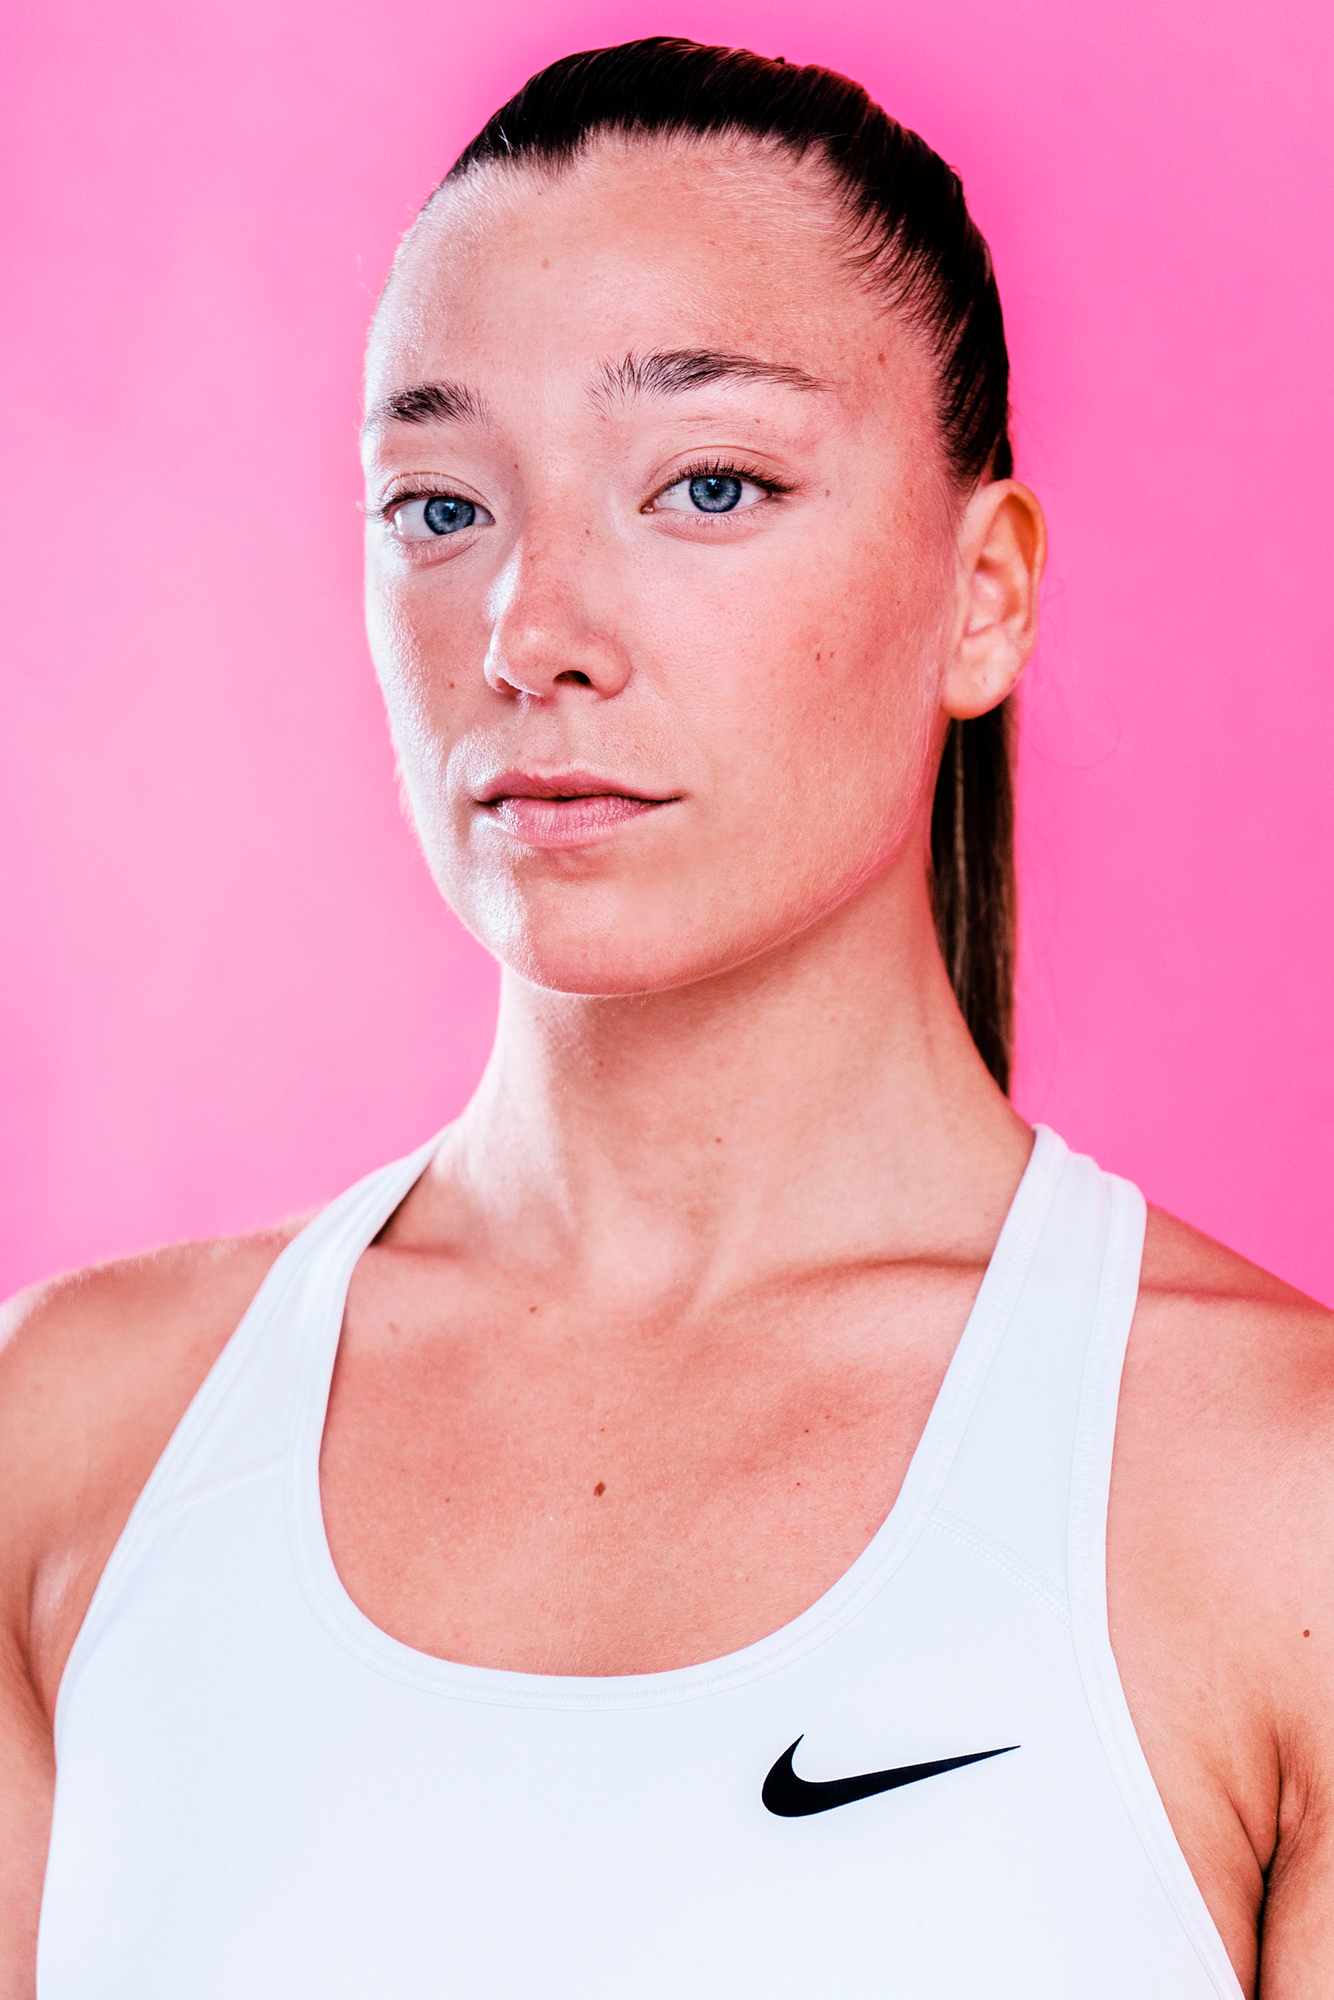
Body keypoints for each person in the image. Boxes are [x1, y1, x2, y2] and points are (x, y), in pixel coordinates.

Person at [1, 36, 1329, 1997]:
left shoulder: (1273, 1494)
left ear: (985, 596)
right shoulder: (73, 1434)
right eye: (436, 503)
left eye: (706, 481)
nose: (530, 630)